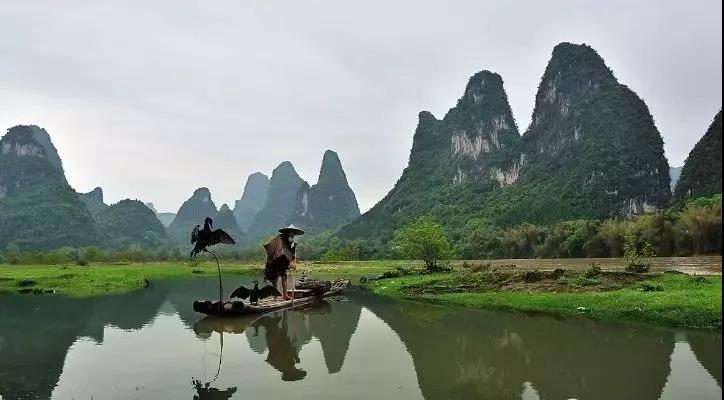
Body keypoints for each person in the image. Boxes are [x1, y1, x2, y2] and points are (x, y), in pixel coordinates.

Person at [263, 224, 304, 301]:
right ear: (288, 232)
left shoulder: (288, 240)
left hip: (282, 260)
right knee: (275, 277)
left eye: (293, 234)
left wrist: (293, 251)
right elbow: (282, 252)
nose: (293, 236)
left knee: (284, 276)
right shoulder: (280, 239)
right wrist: (291, 261)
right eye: (291, 233)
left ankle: (285, 295)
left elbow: (288, 251)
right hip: (275, 260)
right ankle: (276, 296)